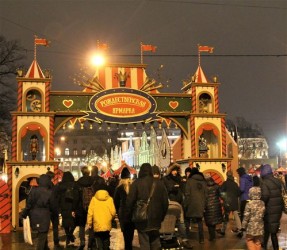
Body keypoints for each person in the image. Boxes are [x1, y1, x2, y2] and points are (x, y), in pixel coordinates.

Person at [126, 163, 169, 250]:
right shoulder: (159, 184)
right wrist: (161, 217)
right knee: (156, 242)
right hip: (156, 218)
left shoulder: (136, 184)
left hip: (142, 219)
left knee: (144, 242)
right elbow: (165, 203)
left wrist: (131, 216)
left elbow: (129, 202)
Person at [21, 174, 56, 250]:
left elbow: (28, 204)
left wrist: (24, 214)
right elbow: (53, 206)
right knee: (42, 236)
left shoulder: (33, 190)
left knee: (42, 234)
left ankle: (46, 248)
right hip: (45, 216)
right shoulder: (50, 192)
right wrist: (54, 213)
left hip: (34, 216)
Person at [260, 164, 283, 250]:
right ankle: (269, 246)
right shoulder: (277, 181)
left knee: (269, 230)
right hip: (278, 208)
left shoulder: (264, 182)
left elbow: (265, 196)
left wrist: (260, 200)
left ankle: (268, 247)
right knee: (271, 230)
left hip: (269, 209)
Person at [87, 184, 116, 250]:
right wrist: (111, 218)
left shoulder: (94, 199)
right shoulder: (110, 199)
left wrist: (89, 222)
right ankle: (106, 247)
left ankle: (100, 248)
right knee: (106, 236)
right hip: (107, 222)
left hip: (97, 222)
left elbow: (90, 212)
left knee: (98, 236)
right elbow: (113, 212)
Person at [113, 167, 135, 250]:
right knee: (131, 235)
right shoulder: (133, 187)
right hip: (132, 214)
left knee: (126, 236)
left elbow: (116, 202)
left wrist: (118, 212)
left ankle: (128, 247)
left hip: (123, 215)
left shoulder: (119, 188)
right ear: (129, 177)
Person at [184, 167, 207, 244]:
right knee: (200, 221)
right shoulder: (203, 181)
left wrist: (185, 205)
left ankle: (186, 237)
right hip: (200, 204)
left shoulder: (189, 181)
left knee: (187, 220)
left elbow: (187, 194)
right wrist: (204, 205)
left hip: (191, 204)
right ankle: (201, 239)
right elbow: (206, 195)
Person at [74, 166, 95, 250]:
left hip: (81, 207)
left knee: (82, 225)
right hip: (92, 206)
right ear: (89, 172)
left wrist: (74, 208)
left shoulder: (78, 182)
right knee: (91, 225)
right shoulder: (93, 181)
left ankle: (82, 241)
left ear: (82, 172)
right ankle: (91, 242)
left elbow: (76, 197)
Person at [217, 170, 241, 237]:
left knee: (226, 217)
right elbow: (239, 193)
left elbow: (220, 191)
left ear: (227, 175)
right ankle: (240, 230)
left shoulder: (225, 183)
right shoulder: (235, 184)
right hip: (234, 202)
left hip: (227, 203)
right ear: (232, 175)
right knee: (236, 216)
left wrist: (223, 198)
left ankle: (223, 230)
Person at [58, 171, 77, 247]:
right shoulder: (74, 185)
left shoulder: (60, 185)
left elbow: (58, 197)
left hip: (63, 206)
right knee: (74, 221)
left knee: (65, 221)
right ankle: (70, 234)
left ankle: (68, 235)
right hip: (72, 205)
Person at [204, 175, 223, 241]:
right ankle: (213, 236)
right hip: (216, 205)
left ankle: (212, 236)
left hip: (208, 206)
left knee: (209, 222)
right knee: (214, 221)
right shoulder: (216, 186)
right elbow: (221, 195)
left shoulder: (204, 187)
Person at [46, 170, 61, 248]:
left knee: (45, 227)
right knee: (55, 227)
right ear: (52, 178)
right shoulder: (54, 187)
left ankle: (45, 244)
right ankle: (56, 242)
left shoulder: (43, 187)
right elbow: (57, 198)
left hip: (46, 210)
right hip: (54, 209)